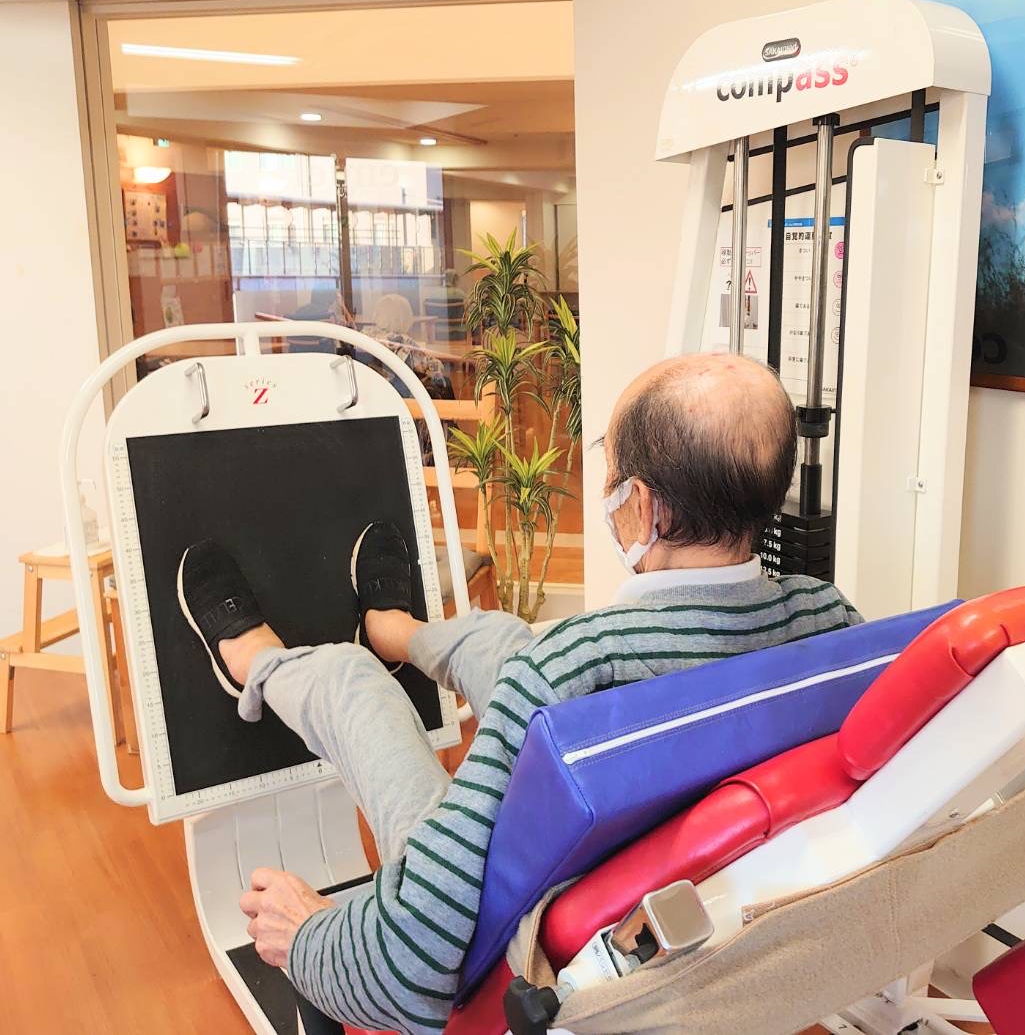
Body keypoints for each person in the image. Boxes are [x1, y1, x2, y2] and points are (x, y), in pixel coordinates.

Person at [174, 352, 863, 1033]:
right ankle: (393, 630)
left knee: (351, 682)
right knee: (502, 639)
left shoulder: (578, 664)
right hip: (687, 872)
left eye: (611, 469)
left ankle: (256, 662)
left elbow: (408, 959)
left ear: (642, 507)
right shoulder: (829, 618)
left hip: (521, 928)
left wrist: (308, 934)